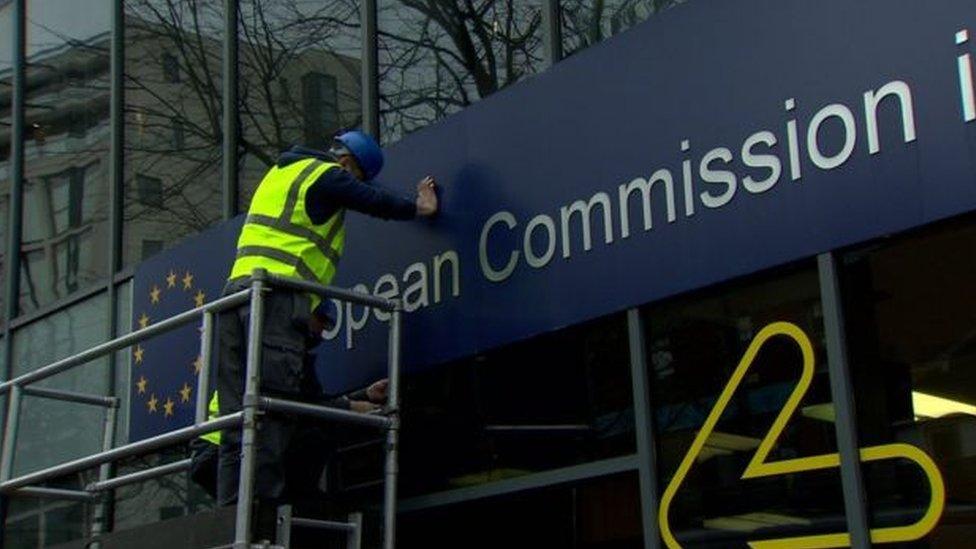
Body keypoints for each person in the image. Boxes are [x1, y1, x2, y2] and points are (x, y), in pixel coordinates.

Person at [215, 130, 438, 515]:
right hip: (275, 300)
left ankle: (229, 518)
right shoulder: (327, 173)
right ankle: (259, 522)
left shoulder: (281, 172)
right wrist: (419, 206)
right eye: (357, 178)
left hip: (236, 298)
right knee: (274, 409)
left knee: (241, 419)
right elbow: (373, 201)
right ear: (349, 165)